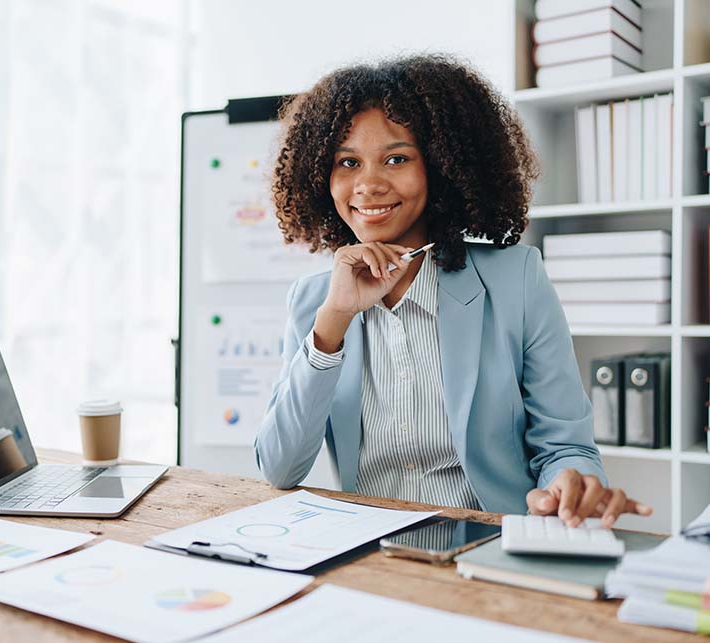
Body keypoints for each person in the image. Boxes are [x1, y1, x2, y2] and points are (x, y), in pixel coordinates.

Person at [254, 54, 652, 528]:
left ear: (441, 167)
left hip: (490, 545)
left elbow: (566, 445)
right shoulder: (315, 302)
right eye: (348, 162)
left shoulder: (516, 280)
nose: (368, 185)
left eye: (397, 158)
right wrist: (333, 324)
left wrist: (571, 482)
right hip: (368, 552)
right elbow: (280, 468)